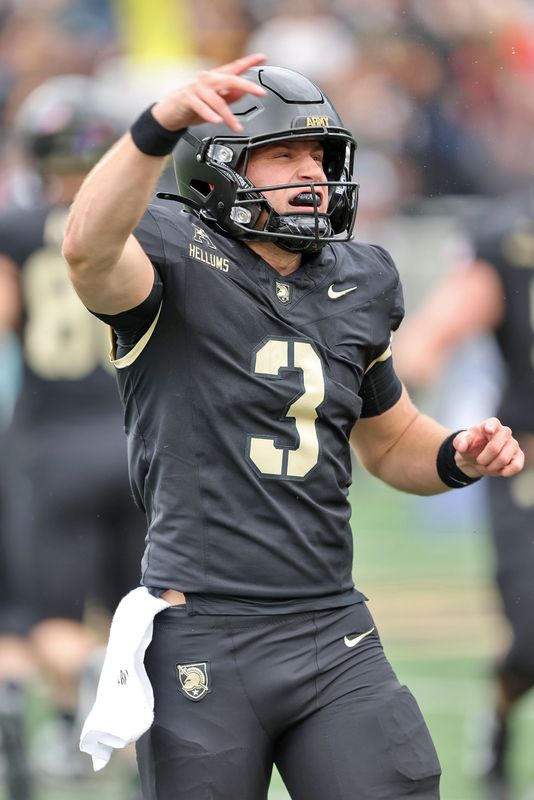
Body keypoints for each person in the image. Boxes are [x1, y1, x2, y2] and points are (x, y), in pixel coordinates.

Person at [62, 54, 524, 800]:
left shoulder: (358, 281)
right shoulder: (171, 260)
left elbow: (392, 438)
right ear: (217, 170)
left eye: (320, 153)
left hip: (330, 623)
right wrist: (155, 127)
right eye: (284, 154)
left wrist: (456, 453)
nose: (312, 172)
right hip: (204, 629)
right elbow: (87, 249)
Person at [0, 74, 146, 794]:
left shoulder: (18, 229)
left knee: (48, 620)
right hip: (134, 438)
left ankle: (87, 676)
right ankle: (121, 721)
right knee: (139, 612)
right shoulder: (137, 224)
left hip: (48, 444)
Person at [393, 191, 534, 800]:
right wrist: (413, 365)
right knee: (531, 632)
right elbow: (440, 327)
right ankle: (500, 717)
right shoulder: (513, 235)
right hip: (527, 461)